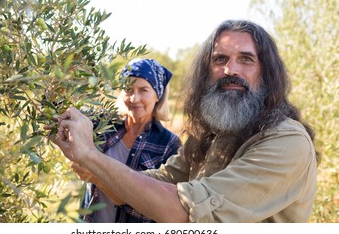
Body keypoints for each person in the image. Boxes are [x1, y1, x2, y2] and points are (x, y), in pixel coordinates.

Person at [49, 20, 318, 223]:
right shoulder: (212, 137)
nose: (230, 70)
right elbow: (140, 188)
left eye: (246, 59)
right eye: (219, 59)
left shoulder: (287, 142)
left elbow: (183, 212)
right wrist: (88, 161)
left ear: (267, 73)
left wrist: (90, 156)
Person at [75, 58, 181, 223]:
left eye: (143, 90)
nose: (134, 98)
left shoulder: (169, 144)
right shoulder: (105, 124)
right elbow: (67, 116)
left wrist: (96, 178)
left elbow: (158, 209)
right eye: (128, 90)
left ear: (157, 96)